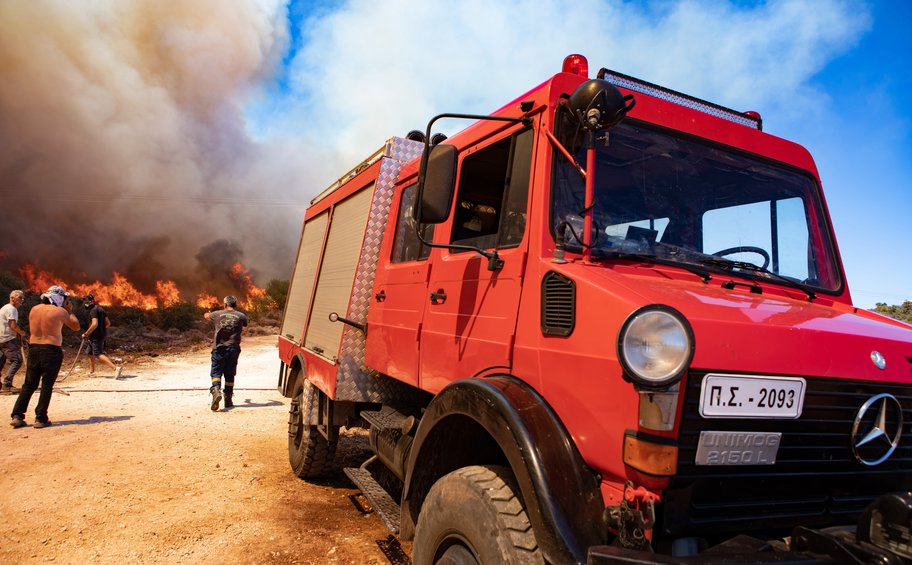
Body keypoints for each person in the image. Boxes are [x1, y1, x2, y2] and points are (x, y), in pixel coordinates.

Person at [10, 285, 80, 429]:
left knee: (29, 384)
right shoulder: (60, 311)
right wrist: (70, 311)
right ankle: (40, 418)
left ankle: (17, 415)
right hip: (51, 351)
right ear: (59, 298)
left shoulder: (34, 309)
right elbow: (76, 326)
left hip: (34, 349)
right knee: (47, 385)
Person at [203, 295, 248, 411]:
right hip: (233, 349)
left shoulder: (217, 314)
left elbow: (206, 316)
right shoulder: (241, 316)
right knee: (230, 374)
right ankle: (228, 400)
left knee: (216, 372)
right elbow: (245, 327)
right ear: (235, 304)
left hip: (219, 348)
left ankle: (216, 390)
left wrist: (208, 313)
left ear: (225, 304)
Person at [81, 294, 122, 379]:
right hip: (98, 335)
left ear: (92, 301)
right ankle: (92, 372)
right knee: (89, 353)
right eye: (85, 302)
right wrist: (101, 329)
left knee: (98, 353)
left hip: (96, 336)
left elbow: (94, 324)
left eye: (87, 302)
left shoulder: (93, 311)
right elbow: (108, 323)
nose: (86, 304)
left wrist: (86, 333)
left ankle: (115, 369)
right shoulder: (100, 309)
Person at [0, 290, 27, 394]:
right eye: (20, 298)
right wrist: (22, 333)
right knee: (17, 360)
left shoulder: (5, 307)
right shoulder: (12, 309)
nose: (22, 300)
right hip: (8, 339)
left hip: (1, 339)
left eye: (22, 298)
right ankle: (7, 384)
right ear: (12, 298)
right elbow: (13, 325)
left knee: (1, 361)